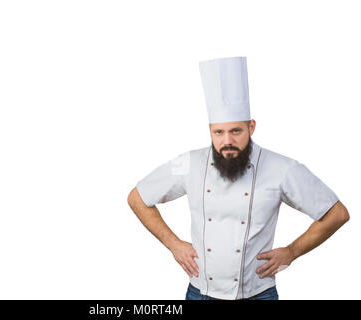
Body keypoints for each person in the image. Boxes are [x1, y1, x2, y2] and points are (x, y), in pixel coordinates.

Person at [127, 56, 350, 300]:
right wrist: (173, 244)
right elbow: (137, 197)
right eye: (218, 132)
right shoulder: (188, 162)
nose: (227, 141)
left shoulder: (282, 168)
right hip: (201, 292)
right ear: (210, 131)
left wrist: (292, 251)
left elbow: (336, 214)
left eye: (236, 131)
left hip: (259, 293)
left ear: (251, 127)